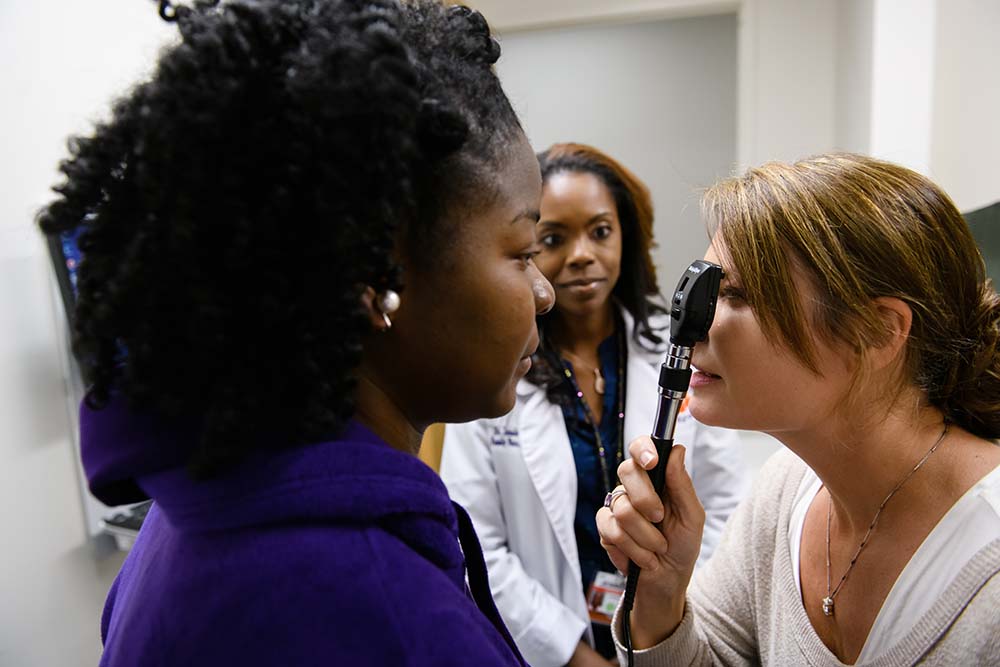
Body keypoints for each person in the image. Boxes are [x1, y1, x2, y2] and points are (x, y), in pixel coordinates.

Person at [37, 1, 556, 665]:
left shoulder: (198, 510)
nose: (543, 292)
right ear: (380, 270)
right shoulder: (389, 616)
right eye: (521, 249)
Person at [597, 153, 1000, 665]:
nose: (690, 324)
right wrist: (661, 594)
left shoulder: (989, 575)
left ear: (876, 332)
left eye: (736, 294)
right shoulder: (785, 491)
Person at [440, 143, 746, 667]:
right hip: (546, 648)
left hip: (675, 628)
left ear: (626, 235)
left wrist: (668, 614)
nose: (582, 253)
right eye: (554, 239)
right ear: (527, 251)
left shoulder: (683, 357)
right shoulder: (493, 373)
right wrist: (575, 658)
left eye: (600, 231)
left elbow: (724, 506)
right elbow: (479, 546)